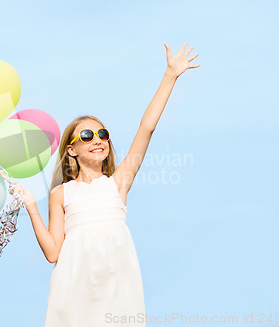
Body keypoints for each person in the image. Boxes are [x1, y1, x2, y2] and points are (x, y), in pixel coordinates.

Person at [13, 42, 200, 326]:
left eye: (102, 133)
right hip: (74, 291)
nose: (98, 139)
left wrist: (170, 75)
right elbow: (53, 252)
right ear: (72, 149)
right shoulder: (61, 194)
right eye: (87, 135)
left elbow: (146, 128)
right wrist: (30, 207)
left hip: (117, 290)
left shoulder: (118, 183)